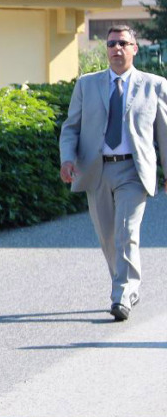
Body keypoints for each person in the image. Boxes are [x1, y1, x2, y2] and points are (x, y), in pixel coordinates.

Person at [59, 25, 167, 321]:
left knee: (126, 231)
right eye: (111, 44)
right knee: (108, 236)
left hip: (133, 170)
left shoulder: (154, 85)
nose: (116, 48)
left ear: (135, 48)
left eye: (123, 43)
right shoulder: (87, 84)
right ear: (106, 49)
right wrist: (67, 159)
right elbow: (71, 128)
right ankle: (127, 284)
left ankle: (122, 292)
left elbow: (165, 135)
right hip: (97, 170)